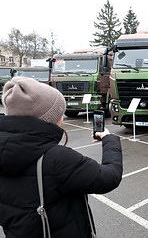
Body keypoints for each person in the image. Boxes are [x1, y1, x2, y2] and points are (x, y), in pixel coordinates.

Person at [0, 77, 123, 238]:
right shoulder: (57, 159)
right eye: (60, 112)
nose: (63, 117)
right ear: (48, 118)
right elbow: (109, 176)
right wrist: (109, 140)